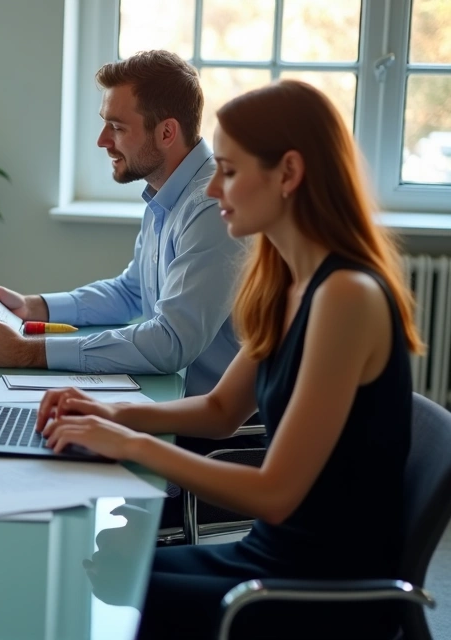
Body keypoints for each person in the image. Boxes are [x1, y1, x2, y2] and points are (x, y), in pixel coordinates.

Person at [37, 80, 422, 639]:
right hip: (270, 552)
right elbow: (220, 409)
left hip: (315, 580)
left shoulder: (346, 296)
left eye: (230, 170)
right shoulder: (284, 276)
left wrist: (130, 444)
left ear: (288, 174)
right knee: (110, 579)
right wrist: (106, 413)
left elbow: (274, 491)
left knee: (119, 590)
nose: (214, 189)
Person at [0, 50, 242, 399]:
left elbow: (170, 342)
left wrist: (29, 351)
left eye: (117, 127)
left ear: (167, 132)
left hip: (215, 433)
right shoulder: (167, 191)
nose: (102, 140)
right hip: (176, 404)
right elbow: (131, 292)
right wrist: (33, 307)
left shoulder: (211, 206)